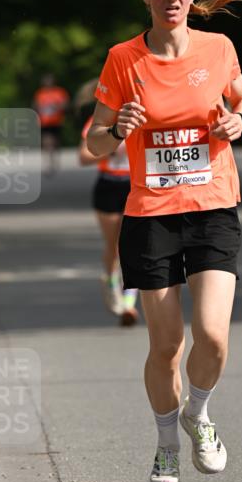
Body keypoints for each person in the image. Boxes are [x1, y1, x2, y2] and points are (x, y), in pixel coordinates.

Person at [87, 0, 242, 482]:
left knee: (213, 336)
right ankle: (166, 448)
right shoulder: (123, 59)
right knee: (166, 347)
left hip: (212, 207)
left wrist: (239, 119)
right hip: (152, 216)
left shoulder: (218, 47)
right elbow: (93, 142)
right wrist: (118, 129)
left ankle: (197, 414)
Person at [79, 114, 139, 325]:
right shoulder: (100, 119)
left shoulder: (142, 115)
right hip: (109, 185)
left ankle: (128, 303)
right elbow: (83, 157)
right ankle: (112, 283)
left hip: (135, 183)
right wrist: (110, 149)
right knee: (114, 245)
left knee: (131, 244)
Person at [32, 75, 70, 175]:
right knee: (46, 140)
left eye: (49, 81)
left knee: (55, 141)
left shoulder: (59, 92)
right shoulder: (40, 93)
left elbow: (66, 105)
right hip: (44, 122)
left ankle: (54, 157)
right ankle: (48, 161)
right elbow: (36, 106)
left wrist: (56, 106)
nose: (48, 83)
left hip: (56, 121)